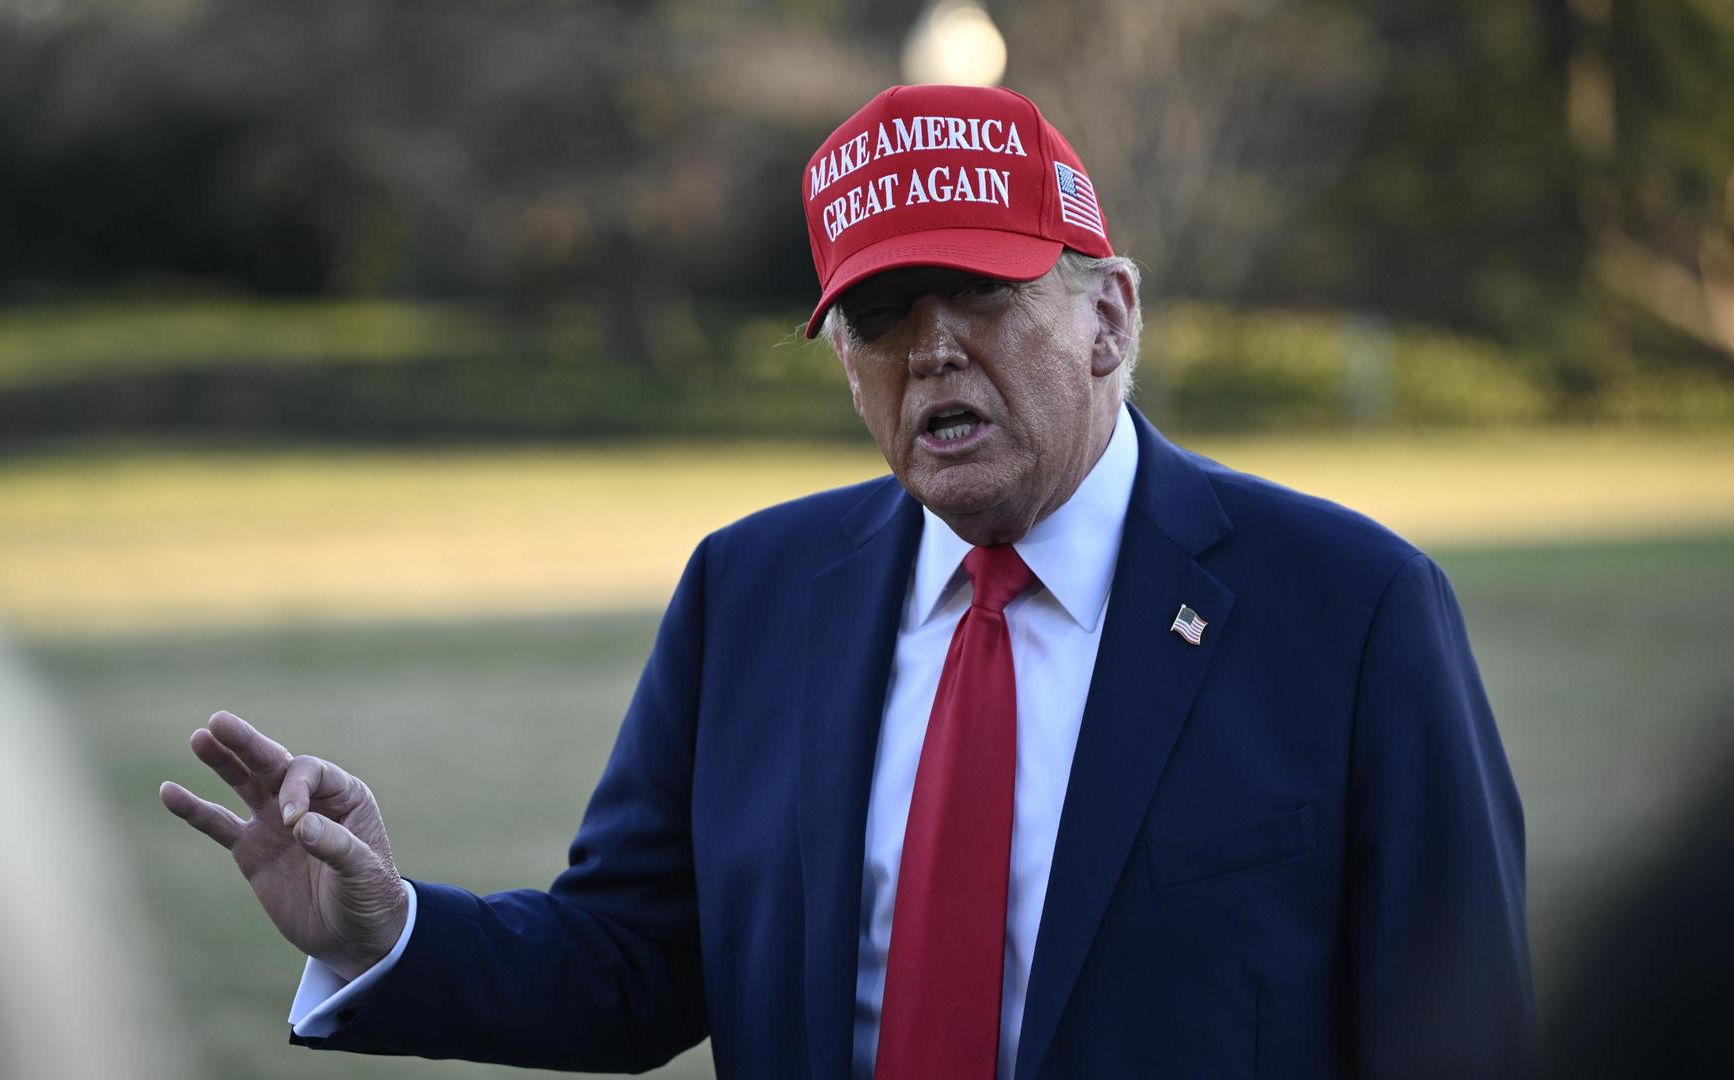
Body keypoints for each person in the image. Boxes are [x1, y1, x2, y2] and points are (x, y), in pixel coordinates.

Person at [162, 84, 1535, 1079]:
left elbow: (1459, 1032)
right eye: (882, 317)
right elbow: (634, 965)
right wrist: (391, 930)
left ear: (1111, 313)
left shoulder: (1348, 611)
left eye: (985, 295)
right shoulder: (751, 594)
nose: (932, 351)